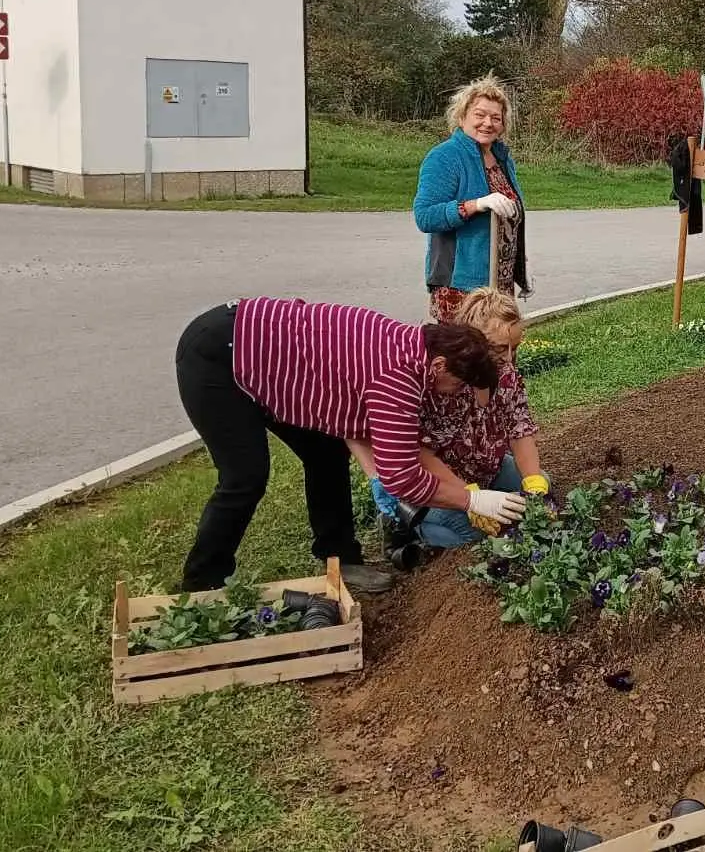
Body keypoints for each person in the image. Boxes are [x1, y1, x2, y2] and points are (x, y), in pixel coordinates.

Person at [174, 297, 525, 592]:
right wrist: (473, 499)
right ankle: (202, 582)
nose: (459, 392)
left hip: (274, 364)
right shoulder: (396, 378)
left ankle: (339, 558)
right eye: (459, 384)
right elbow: (401, 477)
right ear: (439, 365)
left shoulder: (415, 347)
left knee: (326, 453)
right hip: (221, 355)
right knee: (245, 476)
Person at [361, 288, 550, 558]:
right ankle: (409, 526)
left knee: (541, 493)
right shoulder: (443, 380)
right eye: (499, 348)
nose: (508, 358)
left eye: (514, 347)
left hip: (488, 471)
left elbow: (520, 427)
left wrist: (533, 481)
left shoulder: (506, 374)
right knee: (476, 536)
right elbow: (420, 451)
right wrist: (469, 497)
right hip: (442, 486)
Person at [414, 75, 530, 322]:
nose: (487, 123)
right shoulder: (445, 157)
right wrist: (476, 205)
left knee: (500, 354)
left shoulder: (502, 159)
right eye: (480, 115)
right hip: (462, 288)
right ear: (461, 116)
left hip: (500, 285)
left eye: (496, 118)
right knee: (467, 358)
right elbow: (425, 216)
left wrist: (520, 268)